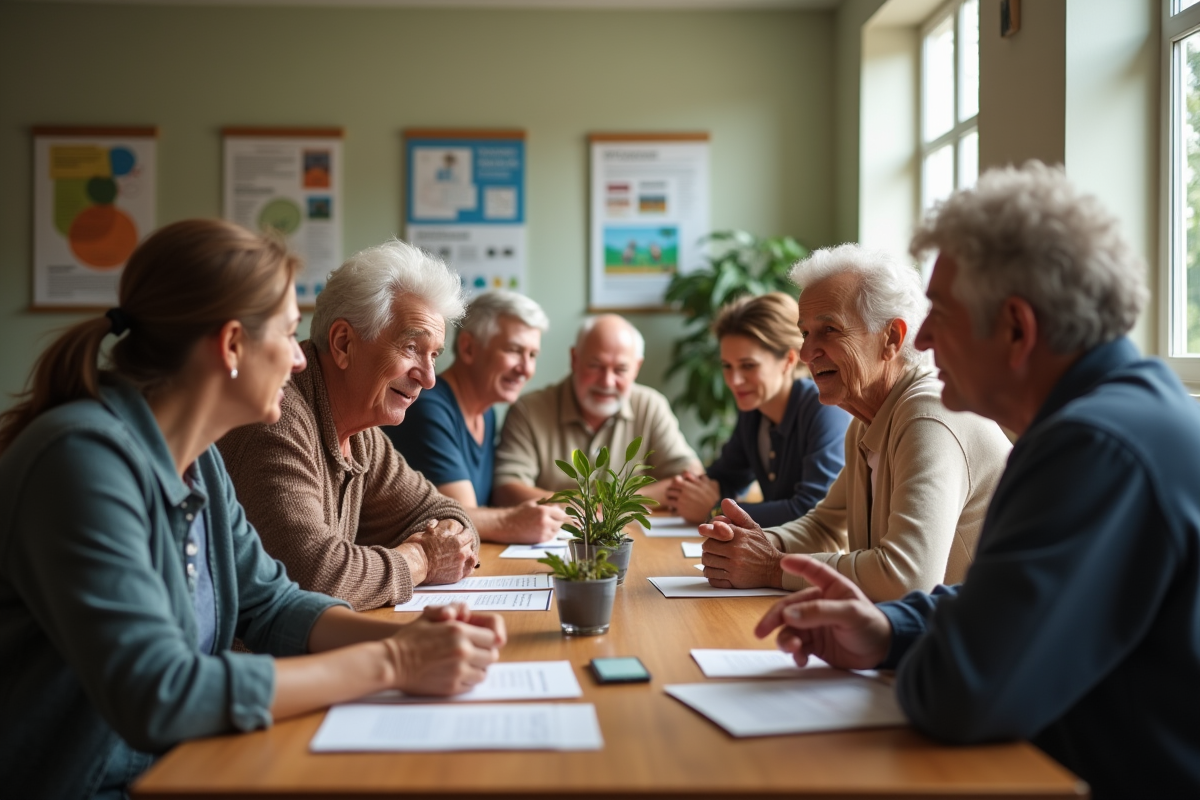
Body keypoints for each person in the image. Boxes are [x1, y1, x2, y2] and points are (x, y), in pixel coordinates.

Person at [0, 220, 506, 800]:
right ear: (232, 345)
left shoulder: (199, 464)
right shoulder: (80, 462)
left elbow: (275, 604)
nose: (298, 360)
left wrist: (419, 639)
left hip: (189, 767)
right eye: (291, 335)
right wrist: (392, 661)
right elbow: (160, 692)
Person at [754, 162, 1200, 800]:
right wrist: (891, 632)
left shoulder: (1091, 448)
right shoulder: (1114, 415)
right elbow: (1001, 601)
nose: (926, 338)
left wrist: (916, 650)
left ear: (1017, 328)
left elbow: (962, 693)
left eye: (942, 313)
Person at [698, 244, 1012, 601]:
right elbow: (825, 526)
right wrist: (754, 543)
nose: (806, 353)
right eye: (805, 333)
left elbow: (907, 578)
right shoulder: (869, 421)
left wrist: (772, 566)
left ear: (891, 338)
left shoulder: (929, 417)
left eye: (829, 329)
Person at [218, 239, 478, 611]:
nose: (429, 378)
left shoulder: (361, 434)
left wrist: (434, 547)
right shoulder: (277, 416)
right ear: (343, 344)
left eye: (434, 355)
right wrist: (423, 559)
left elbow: (450, 516)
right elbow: (317, 577)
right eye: (410, 348)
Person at [384, 290, 567, 543]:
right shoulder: (428, 407)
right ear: (468, 347)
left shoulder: (486, 412)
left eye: (532, 355)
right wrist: (513, 521)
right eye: (514, 350)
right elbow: (460, 523)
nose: (525, 368)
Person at [665, 292, 851, 527]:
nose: (734, 380)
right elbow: (725, 478)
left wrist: (714, 511)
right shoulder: (754, 411)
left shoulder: (823, 409)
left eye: (748, 366)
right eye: (727, 366)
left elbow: (813, 510)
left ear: (789, 360)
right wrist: (691, 490)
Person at [494, 314, 703, 506]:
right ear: (575, 359)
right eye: (595, 366)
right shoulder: (528, 410)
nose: (607, 381)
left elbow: (691, 479)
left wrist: (609, 507)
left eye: (620, 370)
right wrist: (592, 510)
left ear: (636, 368)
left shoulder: (651, 406)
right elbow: (507, 489)